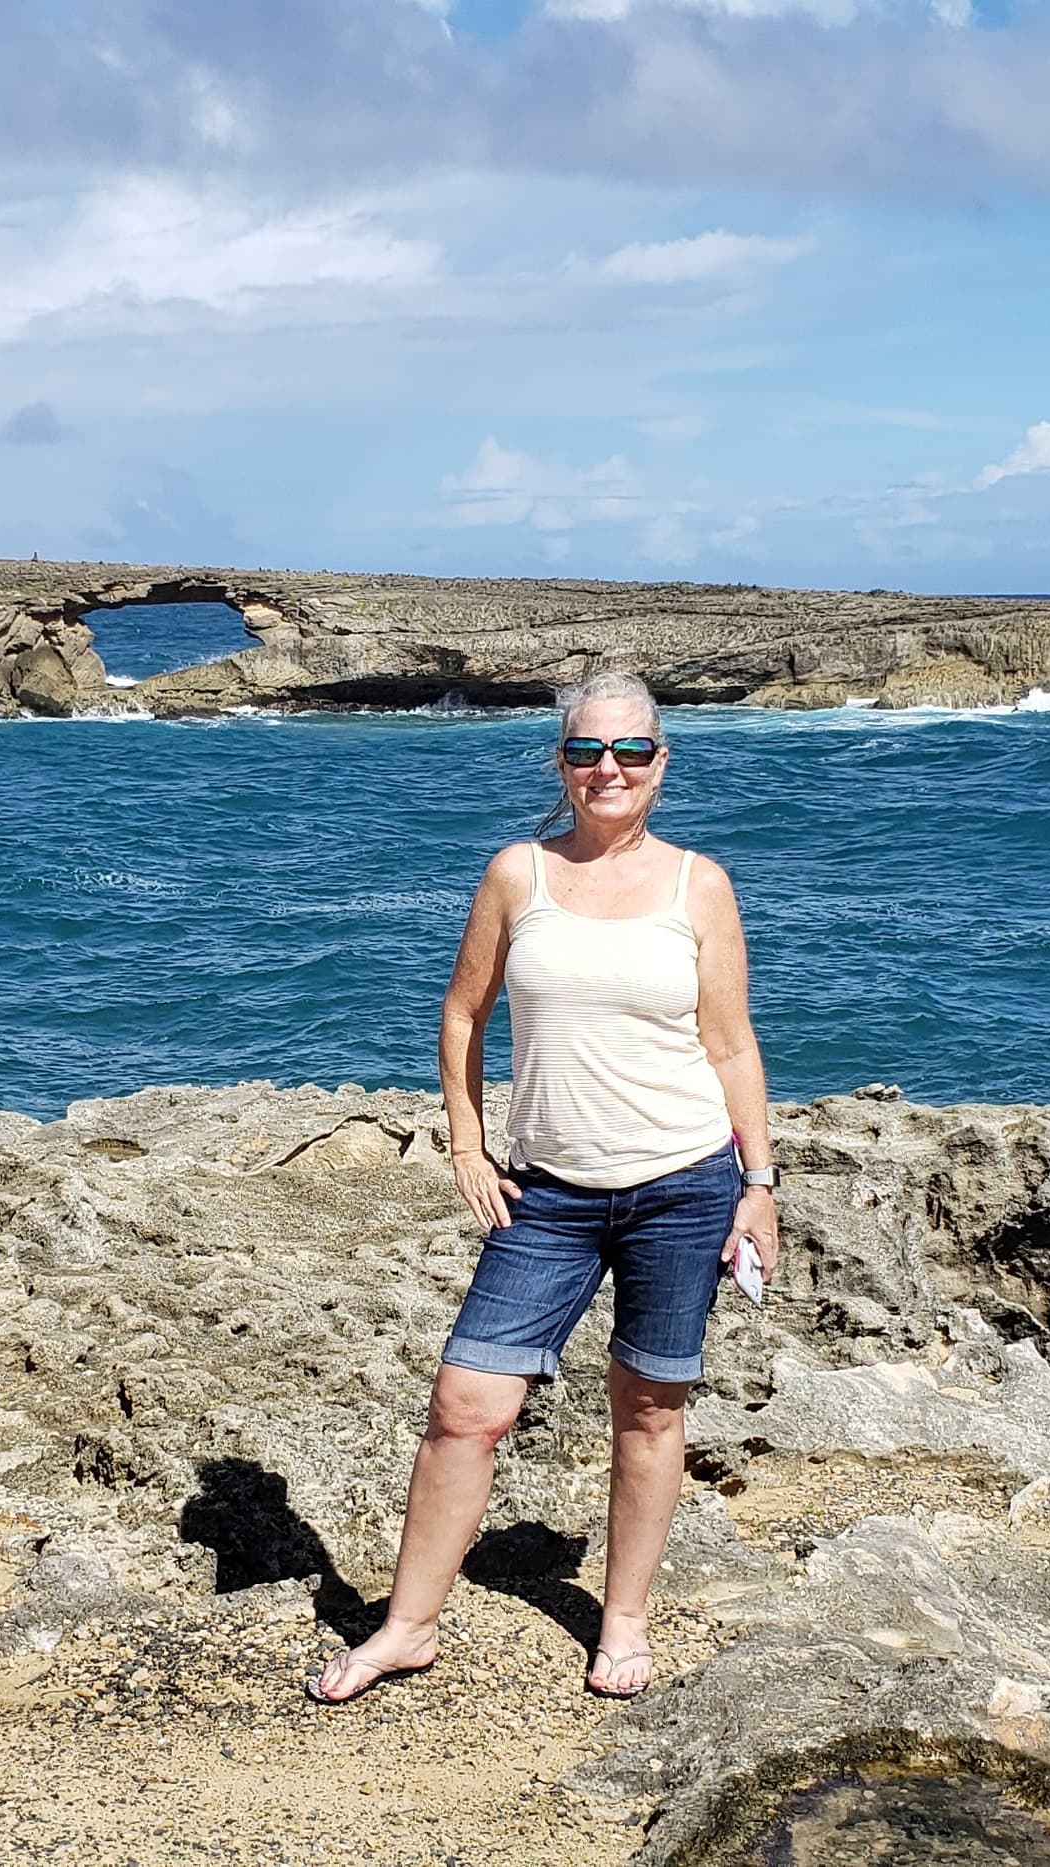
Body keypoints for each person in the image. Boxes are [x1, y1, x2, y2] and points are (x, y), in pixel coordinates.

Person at [308, 671, 778, 1705]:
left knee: (650, 1408)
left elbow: (733, 1044)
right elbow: (463, 1017)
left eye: (630, 751)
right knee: (464, 1405)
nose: (607, 769)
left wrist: (759, 1180)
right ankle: (407, 1625)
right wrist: (469, 1148)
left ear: (662, 762)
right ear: (559, 762)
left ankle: (622, 1620)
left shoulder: (699, 883)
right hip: (548, 1193)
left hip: (684, 1181)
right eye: (585, 751)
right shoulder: (517, 873)